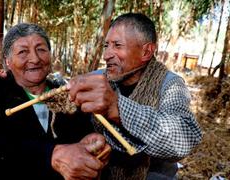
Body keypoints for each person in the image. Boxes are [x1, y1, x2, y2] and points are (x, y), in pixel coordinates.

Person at [66, 13, 202, 179]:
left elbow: (184, 140)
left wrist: (117, 108)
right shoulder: (98, 79)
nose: (106, 55)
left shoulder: (171, 84)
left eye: (117, 45)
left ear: (146, 52)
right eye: (106, 45)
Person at [0, 23, 111, 180]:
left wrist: (91, 145)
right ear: (8, 61)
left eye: (41, 49)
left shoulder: (66, 95)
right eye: (23, 52)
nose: (35, 59)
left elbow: (82, 135)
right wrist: (51, 155)